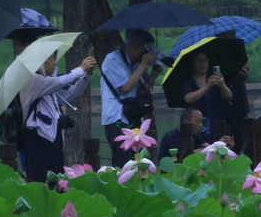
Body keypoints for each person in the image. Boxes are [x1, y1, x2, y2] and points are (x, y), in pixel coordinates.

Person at [20, 51, 96, 183]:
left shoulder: (49, 83)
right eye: (50, 59)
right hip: (37, 137)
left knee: (56, 180)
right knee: (40, 180)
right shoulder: (34, 80)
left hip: (53, 136)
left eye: (55, 59)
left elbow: (74, 92)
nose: (54, 63)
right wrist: (81, 68)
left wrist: (87, 74)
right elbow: (60, 81)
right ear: (40, 62)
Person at [101, 30, 162, 167]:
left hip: (135, 117)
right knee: (123, 164)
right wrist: (143, 64)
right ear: (137, 48)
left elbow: (141, 89)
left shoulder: (135, 63)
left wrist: (154, 74)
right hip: (118, 119)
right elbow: (126, 87)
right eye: (148, 50)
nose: (150, 55)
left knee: (139, 162)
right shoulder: (113, 60)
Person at [181, 49, 232, 138]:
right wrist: (207, 86)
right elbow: (189, 99)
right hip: (197, 125)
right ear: (192, 63)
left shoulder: (214, 79)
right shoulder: (187, 81)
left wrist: (222, 84)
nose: (202, 63)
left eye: (205, 60)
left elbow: (228, 96)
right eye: (198, 60)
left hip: (217, 122)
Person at [157, 108, 233, 162]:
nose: (201, 125)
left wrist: (223, 146)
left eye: (201, 122)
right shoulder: (171, 137)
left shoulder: (193, 134)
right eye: (197, 121)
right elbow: (189, 153)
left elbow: (208, 147)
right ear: (186, 122)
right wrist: (215, 147)